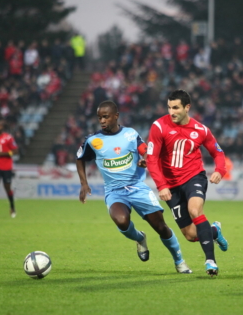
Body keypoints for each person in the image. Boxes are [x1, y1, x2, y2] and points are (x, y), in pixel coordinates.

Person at [76, 100, 192, 274]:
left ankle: (179, 261)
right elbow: (80, 158)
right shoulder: (93, 140)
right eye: (99, 117)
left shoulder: (130, 134)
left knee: (161, 227)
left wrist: (145, 158)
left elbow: (145, 149)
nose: (102, 121)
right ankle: (140, 238)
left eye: (106, 117)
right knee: (122, 221)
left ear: (116, 116)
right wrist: (84, 184)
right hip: (114, 192)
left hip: (137, 188)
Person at [146, 89, 229, 277]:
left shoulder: (200, 130)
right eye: (169, 107)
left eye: (176, 108)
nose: (171, 112)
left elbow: (218, 152)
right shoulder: (159, 127)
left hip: (194, 177)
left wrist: (219, 170)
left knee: (195, 210)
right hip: (170, 186)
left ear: (187, 107)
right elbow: (152, 159)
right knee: (191, 235)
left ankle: (210, 261)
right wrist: (162, 185)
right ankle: (214, 231)